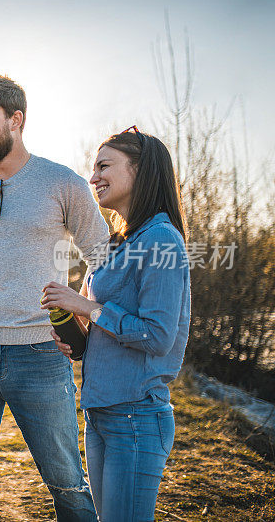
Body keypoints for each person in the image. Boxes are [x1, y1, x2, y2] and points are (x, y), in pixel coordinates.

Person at [0, 74, 107, 521]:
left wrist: (82, 310)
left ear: (16, 119)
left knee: (67, 481)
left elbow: (101, 253)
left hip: (41, 353)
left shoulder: (63, 182)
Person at [42, 127, 190, 522]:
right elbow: (112, 325)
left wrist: (88, 308)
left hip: (136, 417)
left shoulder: (161, 241)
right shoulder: (119, 242)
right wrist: (78, 333)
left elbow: (158, 337)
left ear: (140, 171)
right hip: (100, 413)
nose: (93, 178)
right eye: (93, 168)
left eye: (104, 166)